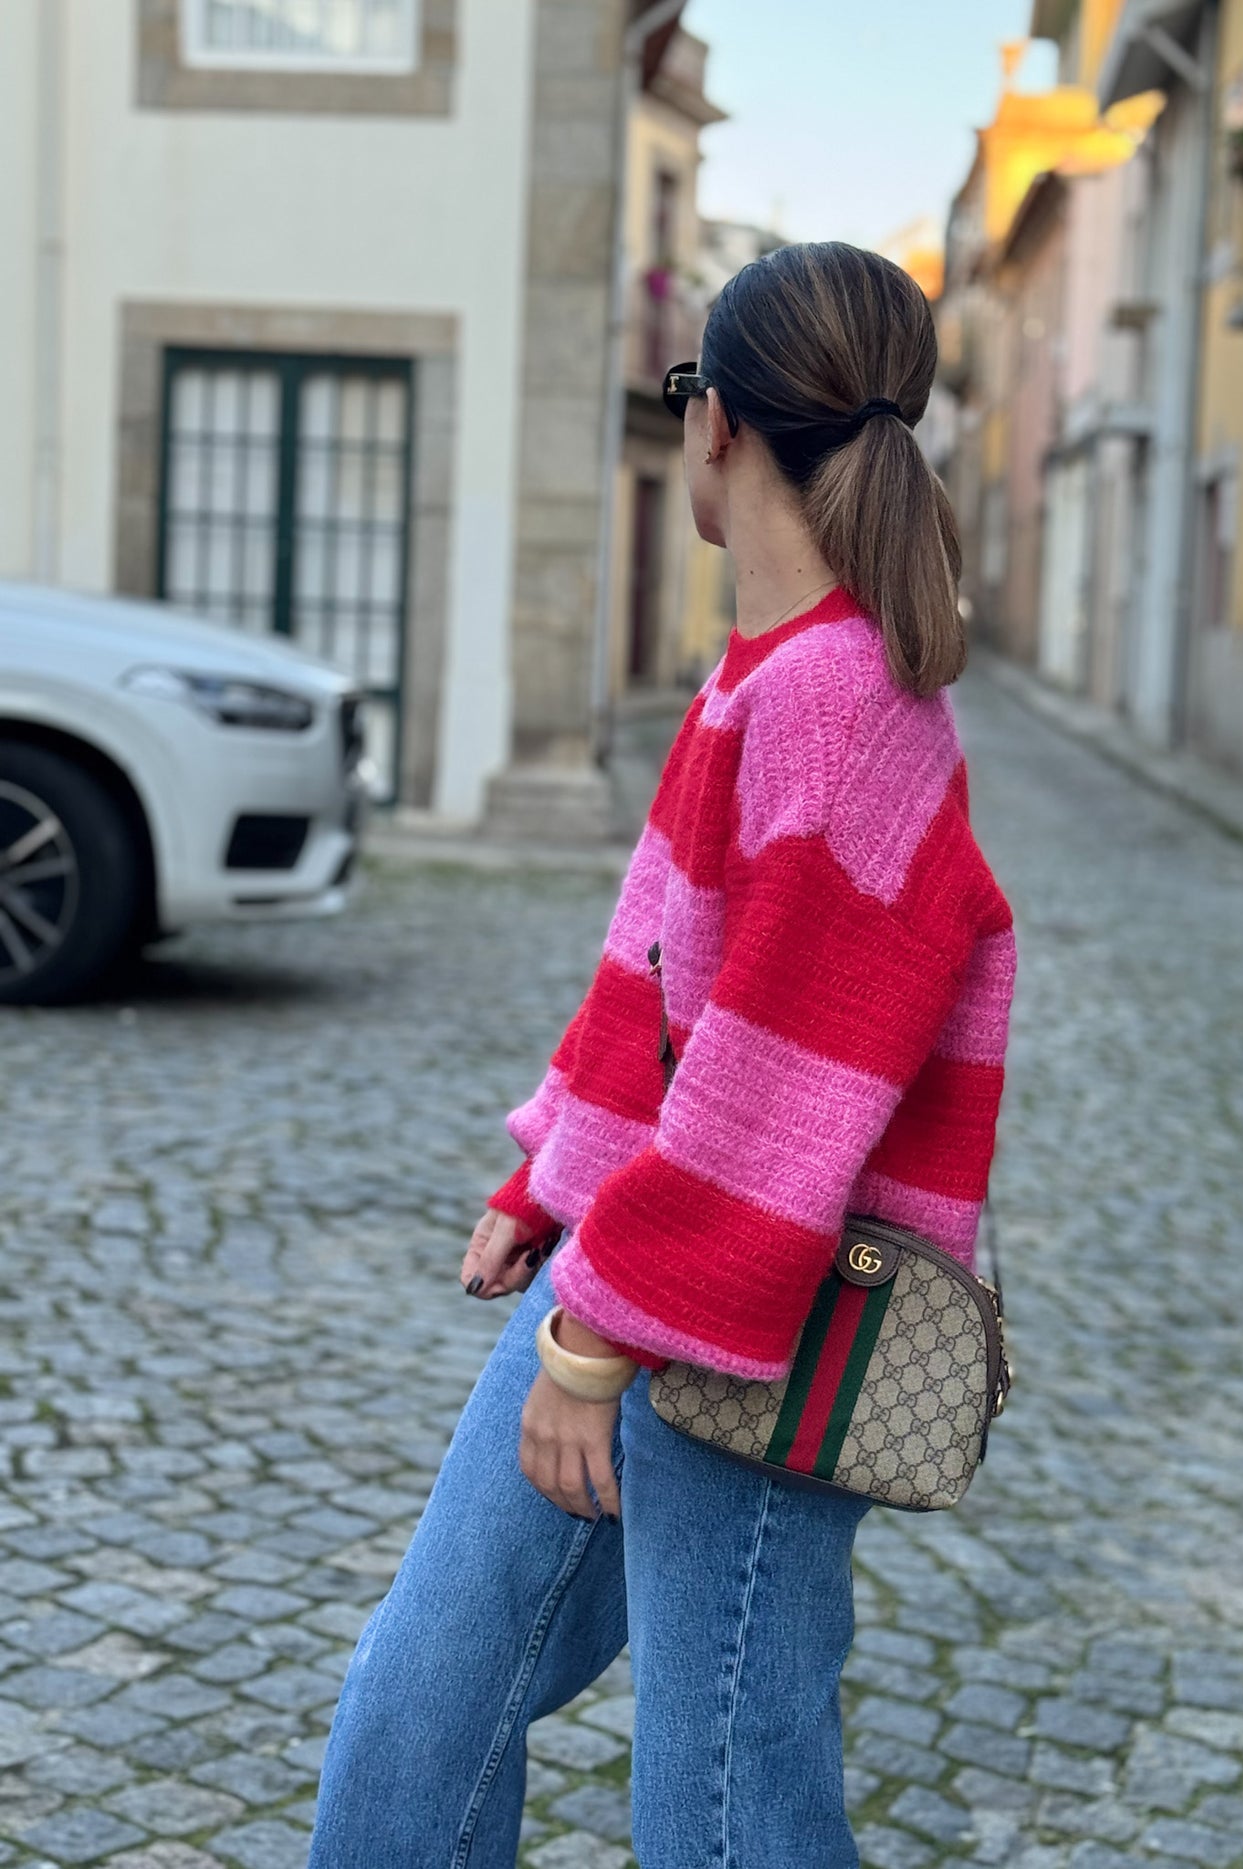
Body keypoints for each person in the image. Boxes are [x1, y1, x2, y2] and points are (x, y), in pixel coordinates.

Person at [307, 241, 1015, 1869]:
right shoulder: (769, 674)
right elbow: (658, 979)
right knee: (427, 1693)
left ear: (718, 424)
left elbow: (779, 1093)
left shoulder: (844, 704)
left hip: (761, 1319)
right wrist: (549, 1177)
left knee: (724, 1793)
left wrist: (587, 1348)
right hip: (636, 1275)